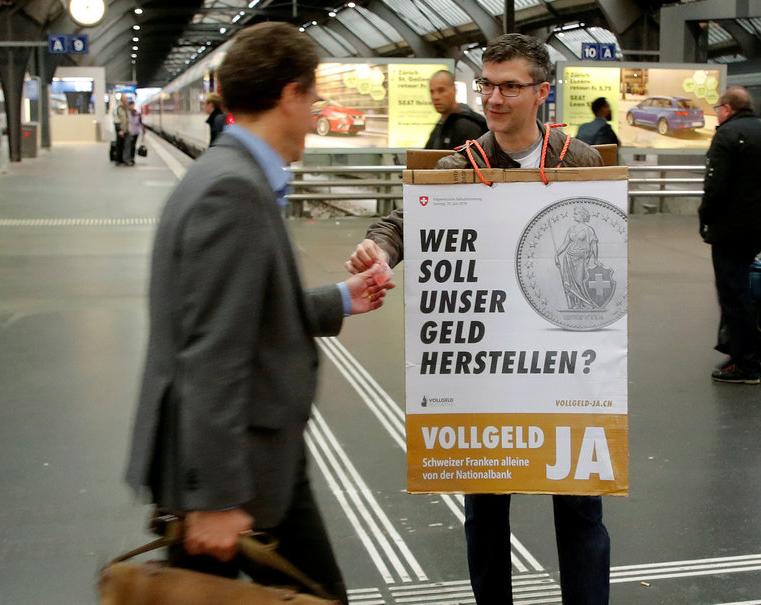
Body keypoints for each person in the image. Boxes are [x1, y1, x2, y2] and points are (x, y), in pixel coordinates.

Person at [123, 22, 394, 605]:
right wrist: (215, 498)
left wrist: (340, 298)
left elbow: (244, 311)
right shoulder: (233, 191)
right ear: (289, 95)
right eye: (313, 97)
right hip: (235, 466)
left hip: (257, 456)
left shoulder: (225, 174)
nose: (315, 115)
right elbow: (212, 352)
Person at [346, 33, 611, 605]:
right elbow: (402, 221)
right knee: (485, 509)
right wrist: (378, 249)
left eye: (509, 87)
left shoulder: (579, 161)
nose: (492, 98)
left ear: (541, 92)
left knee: (580, 505)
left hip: (563, 361)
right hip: (484, 363)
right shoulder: (460, 165)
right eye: (486, 85)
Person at [700, 86, 761, 384]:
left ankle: (746, 365)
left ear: (728, 109)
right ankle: (740, 353)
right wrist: (760, 206)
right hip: (757, 230)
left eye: (718, 108)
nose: (718, 113)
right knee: (740, 291)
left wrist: (706, 218)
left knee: (733, 296)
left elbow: (715, 186)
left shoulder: (727, 135)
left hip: (729, 230)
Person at [425, 70, 488, 150]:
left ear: (454, 90)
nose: (435, 97)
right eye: (432, 92)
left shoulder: (467, 127)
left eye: (441, 90)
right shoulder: (441, 126)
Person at [123, 101, 145, 166]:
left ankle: (132, 158)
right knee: (129, 146)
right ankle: (128, 159)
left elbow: (140, 122)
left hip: (136, 132)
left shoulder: (137, 113)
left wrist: (143, 130)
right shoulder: (127, 113)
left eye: (133, 105)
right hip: (129, 132)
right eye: (131, 105)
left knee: (133, 146)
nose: (132, 106)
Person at [114, 95, 130, 165]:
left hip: (126, 129)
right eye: (126, 99)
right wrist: (119, 129)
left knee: (126, 146)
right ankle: (118, 160)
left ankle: (124, 159)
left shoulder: (127, 108)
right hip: (121, 130)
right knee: (119, 145)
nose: (127, 100)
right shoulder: (118, 108)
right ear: (122, 100)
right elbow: (116, 119)